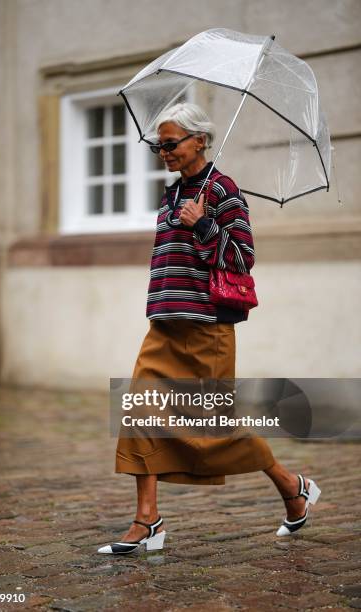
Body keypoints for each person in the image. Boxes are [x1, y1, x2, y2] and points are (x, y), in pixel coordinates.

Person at [98, 103, 321, 555]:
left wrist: (202, 224)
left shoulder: (223, 190)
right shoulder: (171, 193)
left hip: (207, 328)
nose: (164, 151)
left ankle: (291, 485)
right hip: (164, 324)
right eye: (159, 145)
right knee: (139, 412)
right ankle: (148, 520)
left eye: (171, 142)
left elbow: (242, 259)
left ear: (200, 140)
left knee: (215, 425)